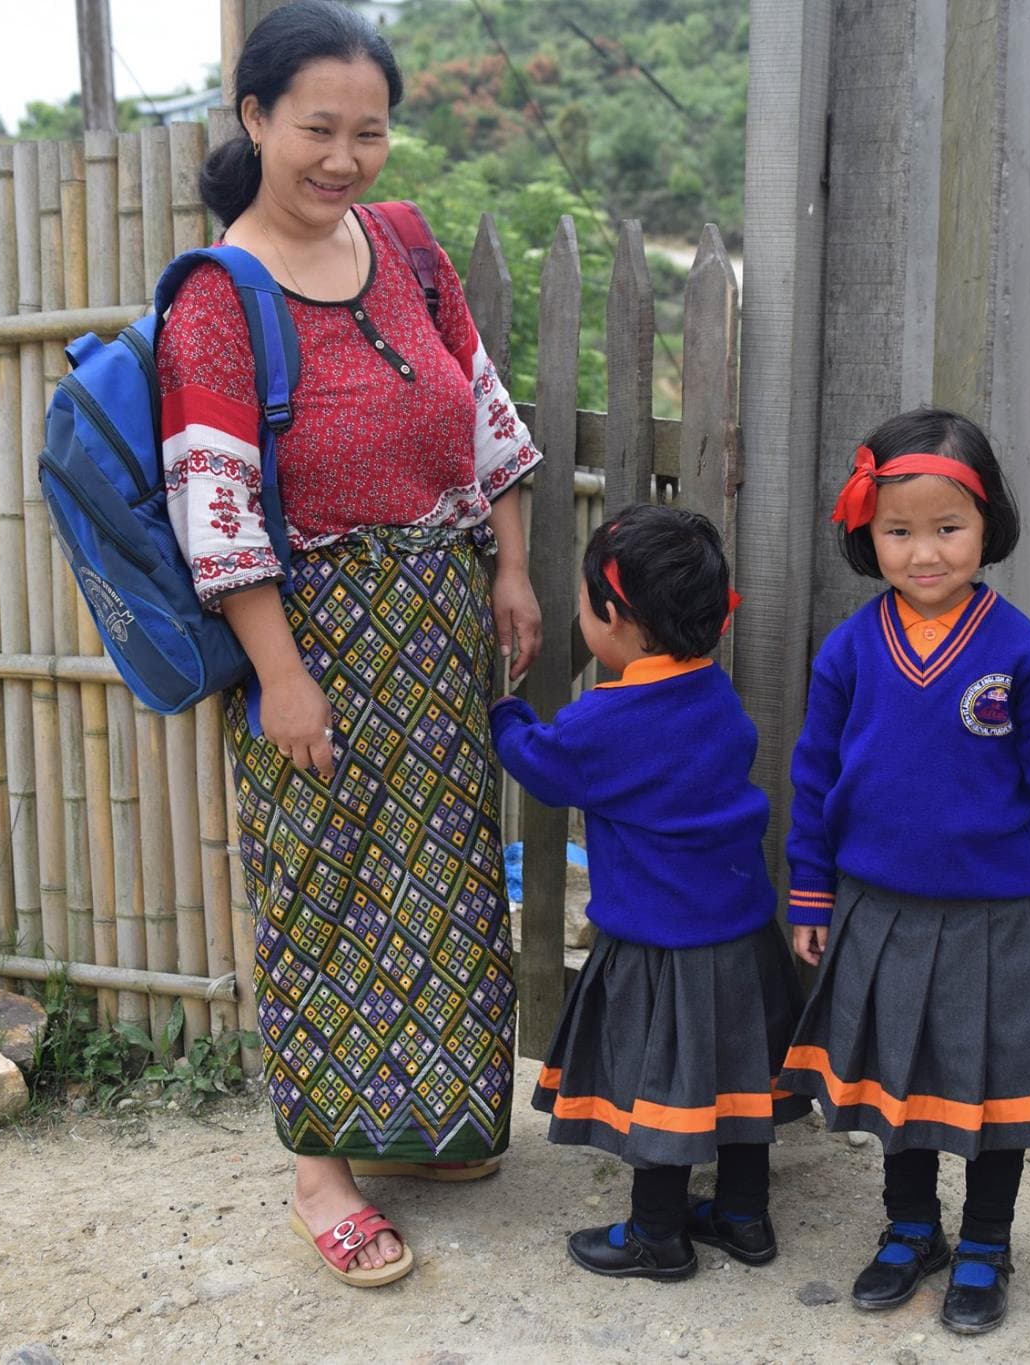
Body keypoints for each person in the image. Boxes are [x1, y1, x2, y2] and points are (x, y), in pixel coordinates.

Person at [160, 0, 543, 1288]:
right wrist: (278, 676)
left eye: (367, 132)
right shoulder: (218, 299)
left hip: (437, 626)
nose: (342, 158)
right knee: (318, 887)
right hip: (308, 636)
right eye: (315, 128)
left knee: (441, 881)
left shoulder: (407, 244)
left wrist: (513, 567)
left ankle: (424, 1123)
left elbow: (482, 412)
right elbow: (212, 508)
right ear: (255, 118)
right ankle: (321, 1172)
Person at [779, 407, 1030, 1335]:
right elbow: (815, 776)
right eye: (899, 531)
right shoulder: (852, 648)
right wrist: (810, 888)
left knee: (992, 1090)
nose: (923, 553)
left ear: (988, 527)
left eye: (947, 528)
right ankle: (910, 1229)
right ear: (868, 533)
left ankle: (987, 1241)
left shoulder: (1018, 648)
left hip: (989, 918)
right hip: (878, 908)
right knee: (902, 1083)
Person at [489, 505, 808, 1281]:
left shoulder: (611, 718)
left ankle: (657, 1234)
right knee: (738, 1077)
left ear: (614, 618)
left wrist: (503, 716)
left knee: (664, 1085)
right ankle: (743, 1216)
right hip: (742, 934)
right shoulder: (716, 697)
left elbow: (545, 762)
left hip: (661, 942)